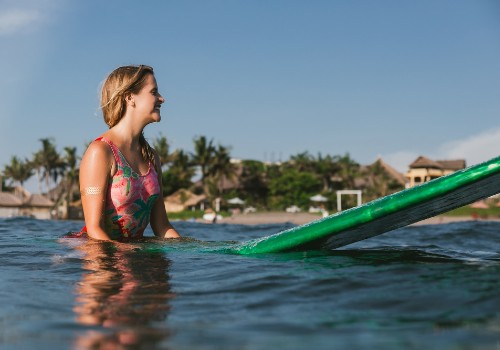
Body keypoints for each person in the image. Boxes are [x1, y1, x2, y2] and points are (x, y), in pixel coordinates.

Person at [77, 65, 180, 241]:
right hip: (99, 254)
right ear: (130, 97)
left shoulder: (151, 157)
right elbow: (94, 230)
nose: (162, 99)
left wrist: (197, 251)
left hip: (132, 256)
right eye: (154, 92)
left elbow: (162, 226)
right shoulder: (101, 152)